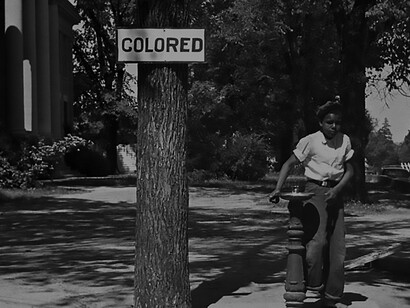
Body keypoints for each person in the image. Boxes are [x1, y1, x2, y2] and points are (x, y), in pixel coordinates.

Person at [269, 99, 354, 308]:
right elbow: (289, 163)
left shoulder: (345, 141)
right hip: (315, 191)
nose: (334, 127)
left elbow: (350, 170)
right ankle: (313, 284)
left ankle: (332, 295)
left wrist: (337, 189)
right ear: (321, 123)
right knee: (317, 244)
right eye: (329, 122)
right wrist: (278, 189)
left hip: (336, 193)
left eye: (337, 123)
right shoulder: (311, 141)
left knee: (337, 247)